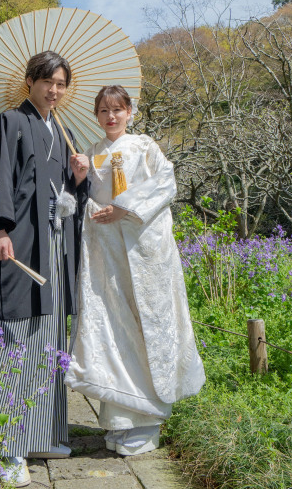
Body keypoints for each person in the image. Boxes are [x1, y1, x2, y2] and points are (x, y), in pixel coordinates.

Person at [0, 51, 89, 487]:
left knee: (49, 337)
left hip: (54, 245)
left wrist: (78, 179)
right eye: (47, 81)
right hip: (19, 245)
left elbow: (61, 195)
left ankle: (43, 434)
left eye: (61, 84)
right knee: (13, 337)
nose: (54, 90)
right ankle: (6, 446)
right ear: (30, 81)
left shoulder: (60, 130)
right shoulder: (11, 123)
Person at [65, 85, 204, 455]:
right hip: (108, 254)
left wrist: (124, 208)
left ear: (130, 112)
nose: (111, 117)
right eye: (103, 111)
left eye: (118, 110)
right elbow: (84, 200)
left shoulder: (145, 147)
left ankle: (149, 420)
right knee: (115, 327)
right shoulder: (91, 153)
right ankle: (119, 420)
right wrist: (79, 178)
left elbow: (166, 184)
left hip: (145, 253)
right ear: (96, 116)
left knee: (146, 326)